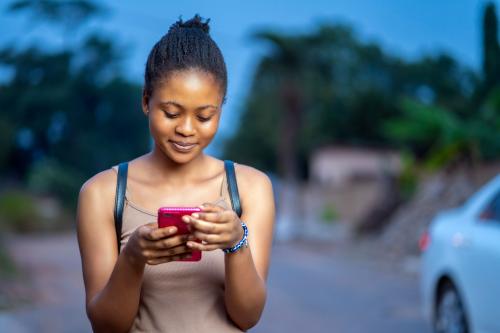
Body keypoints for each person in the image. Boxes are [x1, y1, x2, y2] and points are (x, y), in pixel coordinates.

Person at [76, 14, 275, 333]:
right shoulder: (102, 193)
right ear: (145, 101)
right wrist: (133, 258)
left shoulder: (250, 188)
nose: (186, 129)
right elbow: (106, 326)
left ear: (221, 109)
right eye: (171, 113)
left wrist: (237, 243)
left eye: (204, 116)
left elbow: (247, 317)